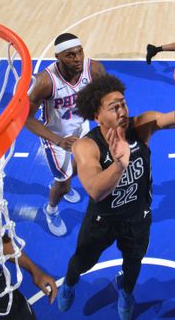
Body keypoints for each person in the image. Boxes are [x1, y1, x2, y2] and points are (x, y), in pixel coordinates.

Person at [57, 63, 175, 320]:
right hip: (103, 220)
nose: (123, 111)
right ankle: (69, 283)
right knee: (82, 262)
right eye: (114, 108)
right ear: (97, 116)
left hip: (138, 216)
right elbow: (94, 191)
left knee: (133, 264)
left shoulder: (142, 126)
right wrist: (119, 164)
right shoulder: (86, 146)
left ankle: (125, 291)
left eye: (123, 104)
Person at [24, 33, 106, 236]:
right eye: (70, 55)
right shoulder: (45, 81)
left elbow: (105, 95)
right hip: (55, 136)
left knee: (80, 165)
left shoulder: (93, 68)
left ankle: (65, 185)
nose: (77, 58)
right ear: (57, 57)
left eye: (79, 52)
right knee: (63, 182)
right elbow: (26, 118)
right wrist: (59, 141)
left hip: (81, 128)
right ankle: (50, 209)